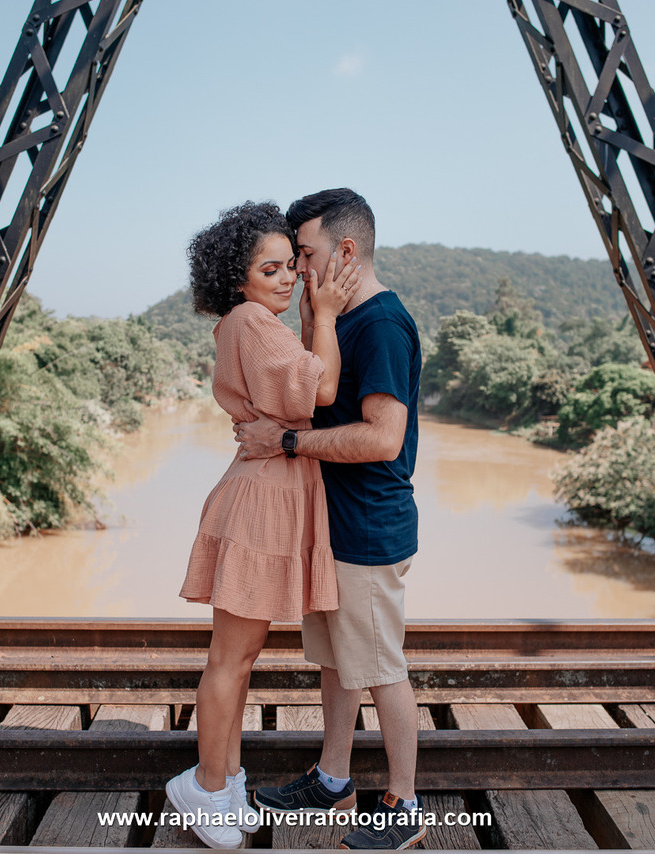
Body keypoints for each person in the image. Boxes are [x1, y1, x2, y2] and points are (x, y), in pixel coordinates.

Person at [165, 200, 362, 849]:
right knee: (232, 658)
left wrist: (309, 319)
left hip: (263, 490)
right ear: (238, 277)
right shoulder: (254, 321)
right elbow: (324, 388)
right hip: (261, 498)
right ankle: (206, 786)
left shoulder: (246, 322)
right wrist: (326, 314)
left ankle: (221, 780)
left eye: (289, 267)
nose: (286, 278)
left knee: (240, 657)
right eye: (269, 268)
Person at [239, 189, 425, 850]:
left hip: (366, 530)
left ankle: (404, 804)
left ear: (347, 250)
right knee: (340, 665)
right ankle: (333, 776)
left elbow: (381, 439)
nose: (299, 271)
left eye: (307, 255)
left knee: (378, 667)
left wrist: (286, 444)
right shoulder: (337, 317)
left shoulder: (378, 324)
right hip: (332, 527)